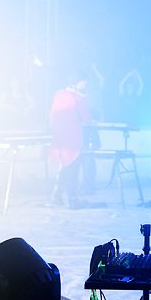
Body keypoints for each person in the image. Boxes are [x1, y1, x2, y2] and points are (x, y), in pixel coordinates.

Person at [49, 73, 92, 208]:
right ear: (81, 82)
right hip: (73, 138)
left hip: (59, 137)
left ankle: (56, 196)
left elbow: (51, 116)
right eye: (85, 82)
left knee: (64, 165)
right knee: (73, 166)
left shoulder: (58, 95)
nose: (86, 85)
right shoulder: (78, 98)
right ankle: (72, 199)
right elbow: (87, 119)